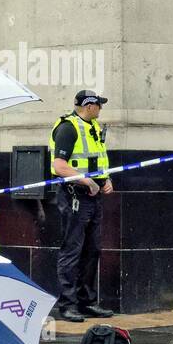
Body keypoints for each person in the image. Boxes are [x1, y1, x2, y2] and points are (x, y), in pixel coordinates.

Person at [49, 90, 116, 324]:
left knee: (92, 249)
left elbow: (97, 160)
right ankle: (68, 305)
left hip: (93, 197)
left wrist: (105, 179)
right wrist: (85, 180)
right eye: (99, 104)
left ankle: (86, 301)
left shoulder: (93, 128)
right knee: (72, 250)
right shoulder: (68, 128)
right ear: (88, 106)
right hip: (74, 196)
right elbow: (59, 166)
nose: (101, 108)